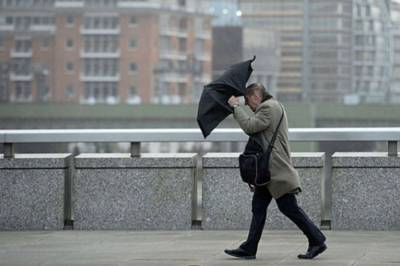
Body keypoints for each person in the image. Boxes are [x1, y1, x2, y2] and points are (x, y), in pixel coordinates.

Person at [224, 83, 327, 260]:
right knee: (258, 208)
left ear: (256, 96)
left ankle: (316, 240)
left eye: (248, 101)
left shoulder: (268, 108)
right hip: (267, 171)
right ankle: (249, 247)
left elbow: (250, 126)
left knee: (289, 207)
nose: (248, 106)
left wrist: (236, 107)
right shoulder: (272, 106)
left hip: (275, 170)